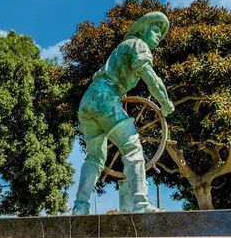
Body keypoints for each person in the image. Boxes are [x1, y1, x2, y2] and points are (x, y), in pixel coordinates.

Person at [71, 12, 174, 215]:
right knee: (132, 146)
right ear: (143, 30)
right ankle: (140, 203)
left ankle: (80, 206)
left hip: (88, 100)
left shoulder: (123, 48)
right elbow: (151, 78)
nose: (158, 37)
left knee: (95, 157)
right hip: (106, 97)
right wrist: (165, 102)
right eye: (155, 31)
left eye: (160, 34)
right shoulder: (138, 44)